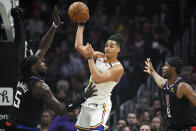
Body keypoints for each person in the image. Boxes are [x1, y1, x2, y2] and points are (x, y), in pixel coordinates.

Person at [5, 7, 97, 131]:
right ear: (34, 67)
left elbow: (43, 48)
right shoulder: (41, 87)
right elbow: (61, 110)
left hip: (11, 124)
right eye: (41, 63)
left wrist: (54, 25)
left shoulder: (24, 72)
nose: (44, 63)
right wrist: (84, 96)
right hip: (24, 128)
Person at [74, 24, 124, 130]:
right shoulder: (99, 56)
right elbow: (78, 46)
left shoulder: (118, 68)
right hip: (87, 101)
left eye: (111, 46)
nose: (107, 48)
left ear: (118, 49)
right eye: (106, 45)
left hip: (101, 105)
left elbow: (97, 79)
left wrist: (90, 58)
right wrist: (81, 26)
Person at [144, 57, 196, 130]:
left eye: (166, 65)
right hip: (172, 127)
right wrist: (152, 72)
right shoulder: (166, 84)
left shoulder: (182, 86)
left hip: (186, 128)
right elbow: (160, 81)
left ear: (173, 68)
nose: (163, 68)